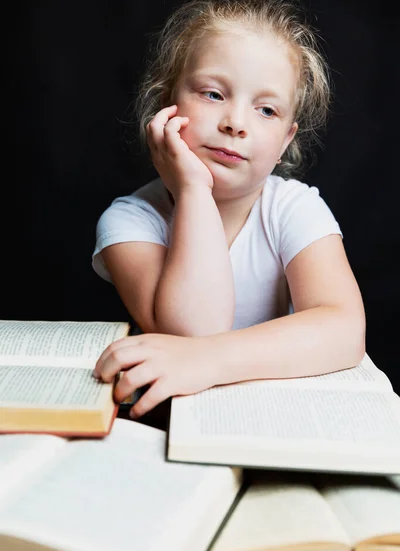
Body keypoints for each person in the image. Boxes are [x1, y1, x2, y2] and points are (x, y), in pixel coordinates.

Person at [91, 0, 366, 420]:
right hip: (175, 422)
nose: (236, 122)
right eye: (213, 94)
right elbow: (194, 331)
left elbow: (345, 330)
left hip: (277, 417)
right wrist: (194, 191)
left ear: (285, 141)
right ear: (167, 105)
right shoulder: (130, 222)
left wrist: (210, 360)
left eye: (266, 110)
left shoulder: (293, 208)